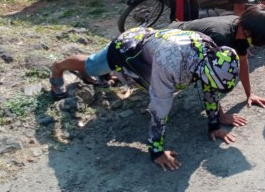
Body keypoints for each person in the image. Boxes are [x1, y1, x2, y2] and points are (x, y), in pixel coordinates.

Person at [50, 27, 245, 171]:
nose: (213, 88)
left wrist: (214, 124)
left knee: (135, 78)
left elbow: (210, 87)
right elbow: (160, 106)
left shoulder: (214, 53)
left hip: (152, 45)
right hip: (127, 47)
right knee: (91, 64)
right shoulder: (171, 65)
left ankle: (112, 74)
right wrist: (157, 151)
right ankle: (58, 68)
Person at [170, 4, 265, 107]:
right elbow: (210, 77)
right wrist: (219, 117)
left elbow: (243, 62)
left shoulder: (243, 29)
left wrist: (250, 94)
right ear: (247, 32)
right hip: (169, 41)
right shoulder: (221, 37)